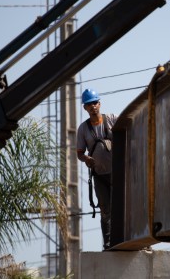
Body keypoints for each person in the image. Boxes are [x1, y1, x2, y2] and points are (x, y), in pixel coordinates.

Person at [76, 88, 118, 250]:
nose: (93, 106)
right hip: (99, 175)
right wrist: (86, 159)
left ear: (99, 104)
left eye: (95, 103)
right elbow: (79, 153)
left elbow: (128, 129)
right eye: (89, 104)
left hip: (117, 173)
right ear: (85, 108)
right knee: (105, 209)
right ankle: (108, 244)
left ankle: (121, 237)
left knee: (120, 206)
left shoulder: (112, 119)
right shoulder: (83, 129)